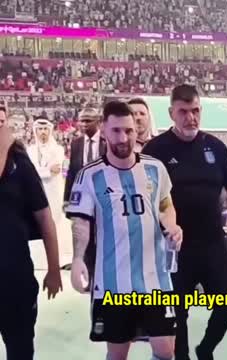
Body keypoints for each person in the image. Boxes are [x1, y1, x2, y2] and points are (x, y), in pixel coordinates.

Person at [142, 84, 227, 360]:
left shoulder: (214, 146)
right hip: (173, 247)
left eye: (195, 111)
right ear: (171, 113)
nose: (190, 117)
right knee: (177, 315)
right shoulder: (155, 149)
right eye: (183, 111)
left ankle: (205, 350)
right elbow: (144, 199)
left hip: (213, 243)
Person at [66, 100, 183, 360]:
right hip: (113, 284)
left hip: (155, 281)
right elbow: (81, 222)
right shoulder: (90, 176)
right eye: (116, 131)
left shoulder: (155, 168)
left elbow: (166, 205)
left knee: (166, 351)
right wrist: (77, 258)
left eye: (129, 131)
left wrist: (173, 226)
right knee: (118, 353)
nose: (123, 137)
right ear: (105, 132)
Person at [0, 110, 63, 360]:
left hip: (15, 278)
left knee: (21, 349)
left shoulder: (19, 161)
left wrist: (54, 268)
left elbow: (44, 217)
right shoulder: (8, 149)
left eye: (2, 121)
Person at [62, 106, 106, 272]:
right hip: (81, 199)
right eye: (81, 120)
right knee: (82, 238)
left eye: (88, 121)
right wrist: (67, 199)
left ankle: (101, 272)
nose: (83, 124)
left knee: (101, 236)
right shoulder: (76, 144)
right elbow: (72, 173)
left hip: (103, 198)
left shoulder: (107, 141)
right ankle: (87, 274)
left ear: (98, 122)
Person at [27, 118, 69, 265]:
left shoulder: (58, 149)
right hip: (36, 193)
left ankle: (58, 259)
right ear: (35, 131)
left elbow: (55, 170)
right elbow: (31, 173)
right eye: (40, 129)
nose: (43, 132)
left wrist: (39, 171)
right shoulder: (30, 150)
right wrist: (45, 171)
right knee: (37, 225)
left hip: (54, 192)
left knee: (55, 224)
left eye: (45, 129)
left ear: (50, 131)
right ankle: (40, 261)